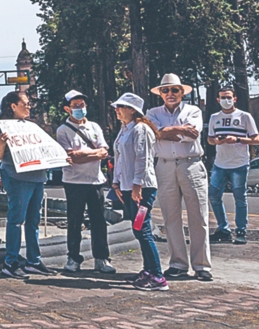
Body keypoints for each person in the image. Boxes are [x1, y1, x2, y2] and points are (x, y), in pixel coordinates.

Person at [145, 74, 213, 282]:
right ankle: (178, 264)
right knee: (170, 217)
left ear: (182, 92)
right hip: (164, 165)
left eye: (175, 90)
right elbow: (154, 133)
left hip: (190, 163)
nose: (170, 94)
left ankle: (201, 265)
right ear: (160, 94)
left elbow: (193, 134)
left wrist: (166, 132)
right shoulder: (152, 112)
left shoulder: (193, 110)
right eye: (165, 90)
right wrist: (179, 130)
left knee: (198, 216)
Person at [0, 89, 54, 279]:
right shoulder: (1, 127)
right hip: (17, 177)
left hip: (37, 177)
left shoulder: (31, 126)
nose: (29, 106)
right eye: (25, 103)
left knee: (34, 221)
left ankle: (33, 261)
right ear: (13, 106)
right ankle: (10, 262)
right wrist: (1, 143)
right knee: (16, 220)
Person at [55, 90, 115, 274]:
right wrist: (93, 154)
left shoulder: (94, 127)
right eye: (76, 106)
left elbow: (104, 151)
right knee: (75, 221)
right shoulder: (62, 131)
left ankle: (101, 257)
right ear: (67, 109)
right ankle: (73, 258)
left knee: (99, 220)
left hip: (95, 181)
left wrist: (85, 154)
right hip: (74, 182)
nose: (81, 108)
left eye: (82, 105)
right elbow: (71, 158)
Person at [111, 92, 166, 291]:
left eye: (121, 107)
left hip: (143, 189)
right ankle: (149, 270)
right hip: (128, 187)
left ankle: (157, 275)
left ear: (132, 110)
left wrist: (137, 185)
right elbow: (120, 159)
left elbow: (143, 158)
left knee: (142, 228)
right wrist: (117, 183)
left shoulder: (141, 129)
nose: (117, 110)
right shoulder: (125, 129)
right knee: (137, 228)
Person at [206, 87, 259, 245]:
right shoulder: (214, 117)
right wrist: (217, 141)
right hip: (220, 163)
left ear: (235, 98)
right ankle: (223, 229)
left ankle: (241, 230)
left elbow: (256, 139)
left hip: (239, 163)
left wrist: (237, 139)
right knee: (214, 196)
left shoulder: (244, 116)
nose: (226, 100)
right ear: (218, 100)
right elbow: (209, 139)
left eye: (229, 97)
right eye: (223, 97)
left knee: (240, 198)